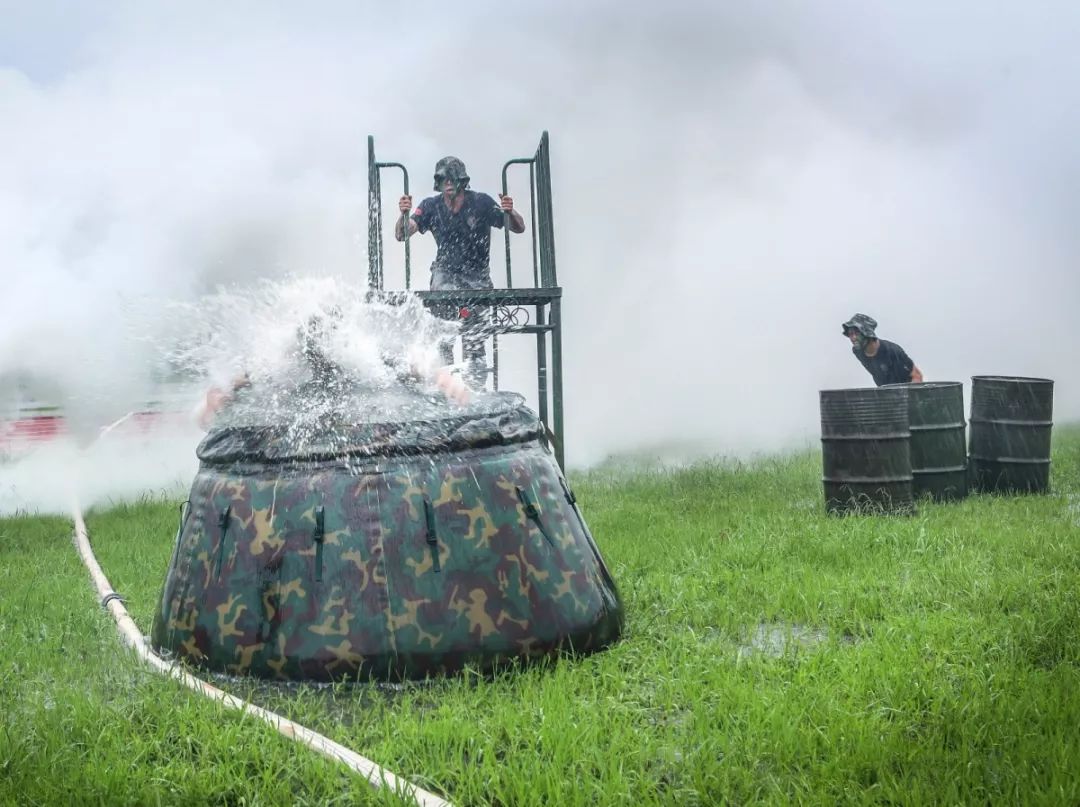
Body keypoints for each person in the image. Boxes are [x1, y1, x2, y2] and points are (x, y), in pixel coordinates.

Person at [395, 155, 526, 386]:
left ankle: (475, 392)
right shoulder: (430, 206)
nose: (447, 183)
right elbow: (402, 233)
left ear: (462, 181)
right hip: (445, 274)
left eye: (452, 178)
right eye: (443, 178)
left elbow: (518, 227)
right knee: (443, 337)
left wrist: (510, 211)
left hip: (477, 277)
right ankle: (447, 391)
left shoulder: (481, 203)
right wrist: (403, 215)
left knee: (474, 341)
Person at [842, 313, 924, 386]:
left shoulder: (892, 351)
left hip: (906, 394)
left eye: (857, 333)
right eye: (850, 334)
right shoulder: (857, 351)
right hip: (885, 394)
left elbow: (917, 376)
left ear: (867, 333)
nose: (853, 338)